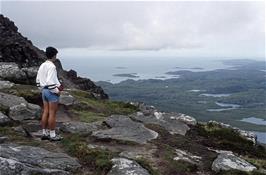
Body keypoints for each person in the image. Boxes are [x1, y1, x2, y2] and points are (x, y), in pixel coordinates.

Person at [36, 46, 63, 141]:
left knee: (45, 111)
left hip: (44, 91)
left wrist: (42, 89)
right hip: (51, 92)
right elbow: (50, 82)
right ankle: (52, 135)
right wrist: (57, 91)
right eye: (56, 55)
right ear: (54, 55)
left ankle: (44, 133)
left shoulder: (42, 65)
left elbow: (38, 80)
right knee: (52, 114)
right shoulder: (52, 66)